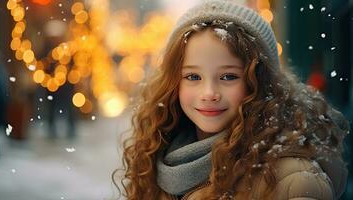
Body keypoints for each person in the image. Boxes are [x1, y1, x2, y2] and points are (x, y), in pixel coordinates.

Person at [113, 0, 349, 199]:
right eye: (193, 76)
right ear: (174, 82)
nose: (209, 93)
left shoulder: (289, 175)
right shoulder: (160, 158)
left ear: (259, 83)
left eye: (228, 76)